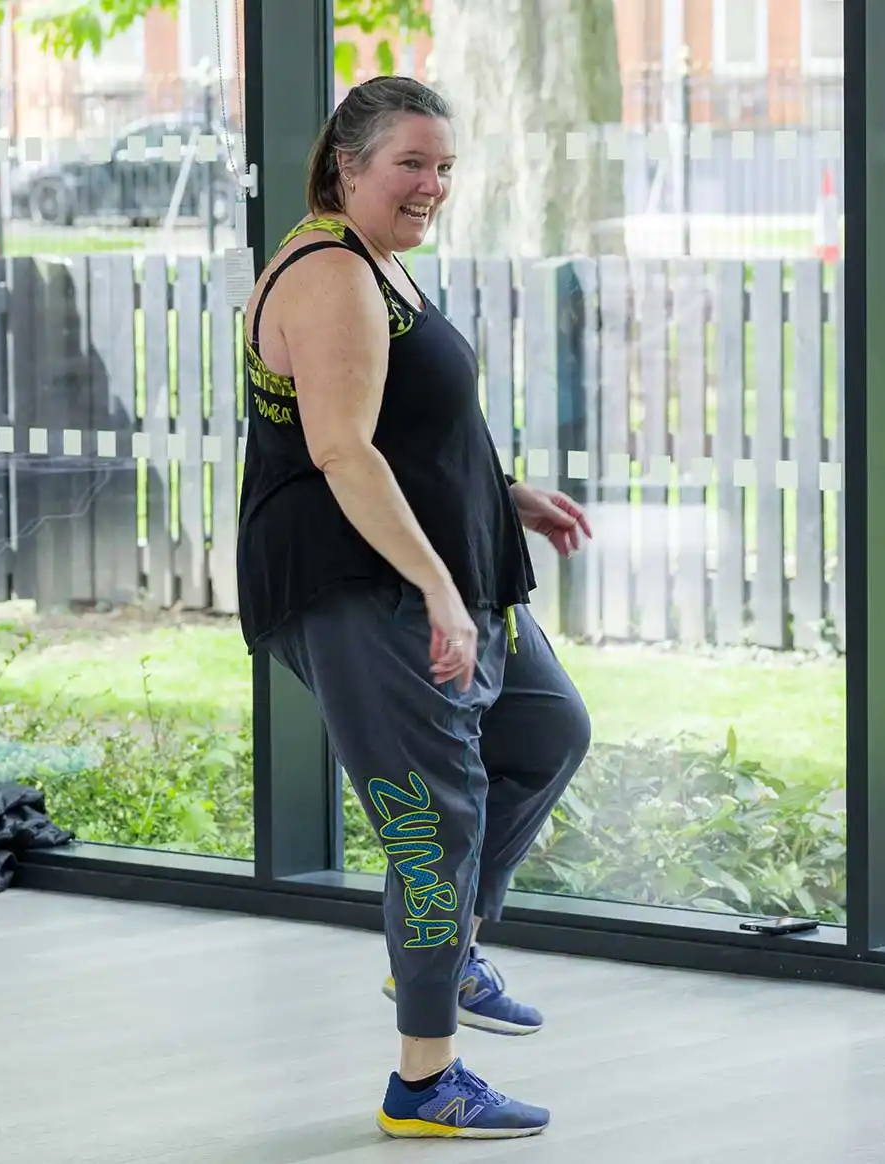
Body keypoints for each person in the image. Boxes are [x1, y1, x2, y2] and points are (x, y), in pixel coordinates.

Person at [237, 75, 594, 1140]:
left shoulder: (379, 265)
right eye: (411, 164)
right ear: (348, 166)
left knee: (544, 730)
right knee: (429, 826)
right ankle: (426, 1082)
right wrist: (437, 583)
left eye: (444, 167)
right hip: (357, 587)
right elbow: (341, 449)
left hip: (437, 568)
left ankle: (443, 949)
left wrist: (507, 497)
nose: (433, 186)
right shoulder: (328, 275)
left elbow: (419, 424)